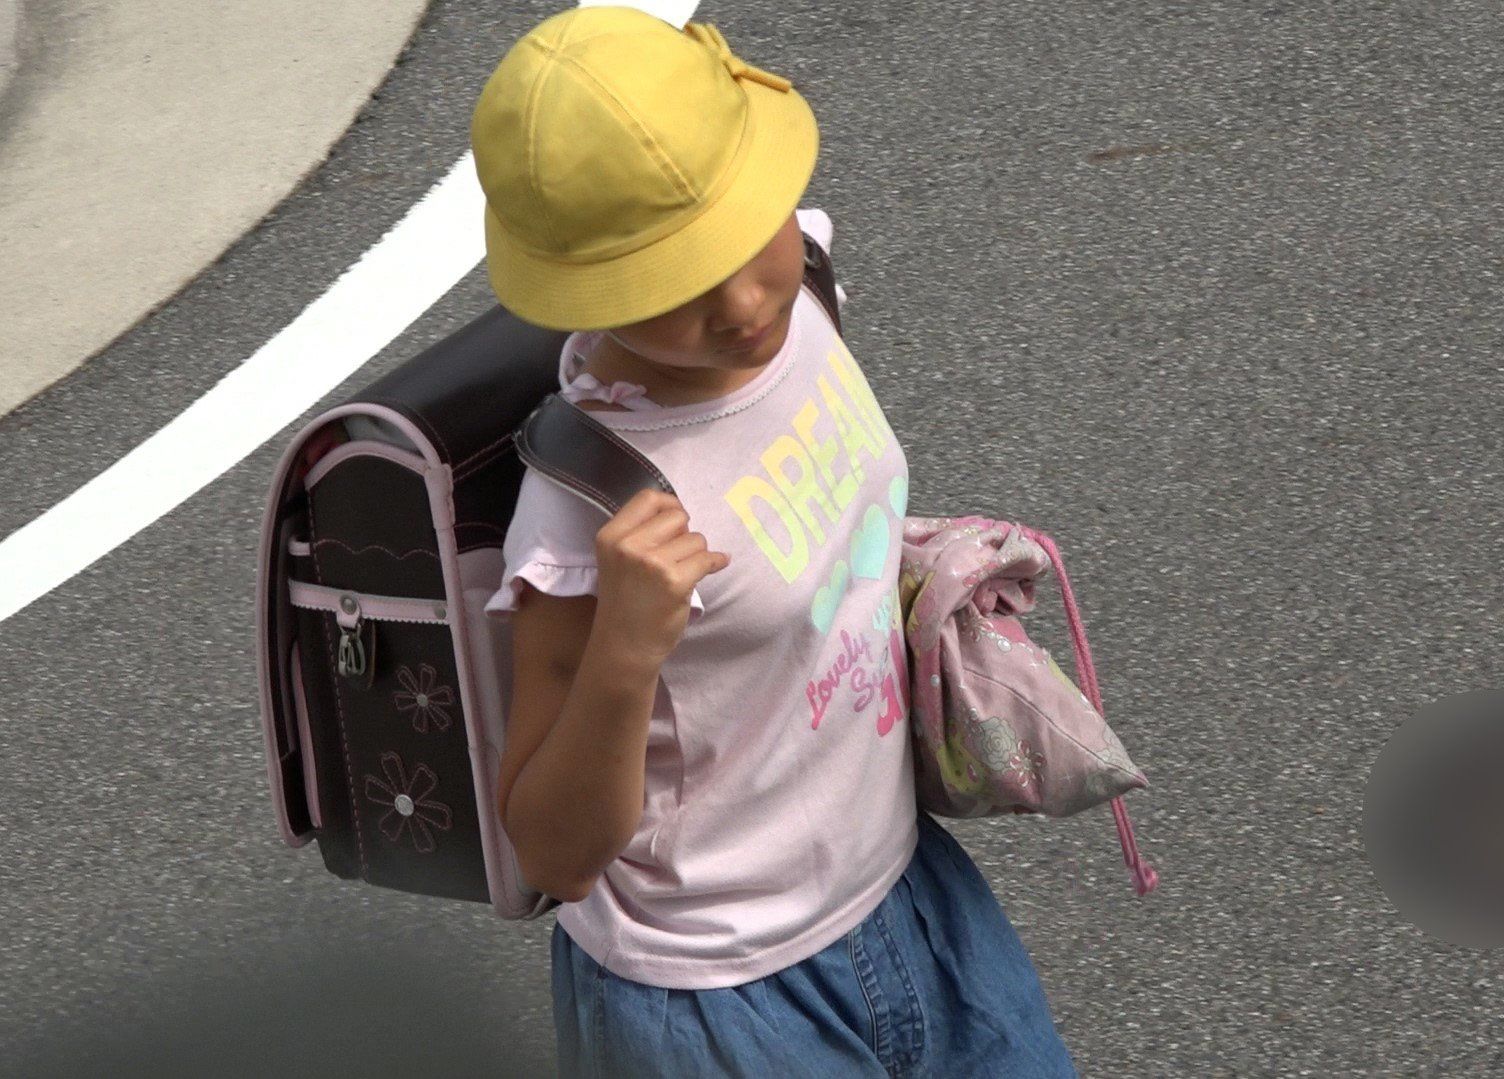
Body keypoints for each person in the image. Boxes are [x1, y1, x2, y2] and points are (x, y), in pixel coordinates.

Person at [472, 8, 1079, 1076]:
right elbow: (555, 852)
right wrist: (623, 651)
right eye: (674, 283)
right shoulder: (583, 504)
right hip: (713, 1000)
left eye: (746, 232)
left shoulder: (808, 295)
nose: (745, 300)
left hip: (910, 893)